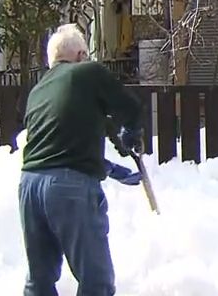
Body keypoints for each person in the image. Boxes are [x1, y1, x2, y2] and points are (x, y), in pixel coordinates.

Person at [18, 23, 145, 296]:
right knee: (95, 280)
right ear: (80, 55)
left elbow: (58, 144)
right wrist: (132, 133)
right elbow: (131, 108)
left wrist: (108, 168)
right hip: (69, 189)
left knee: (39, 281)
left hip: (29, 186)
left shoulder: (38, 91)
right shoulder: (87, 72)